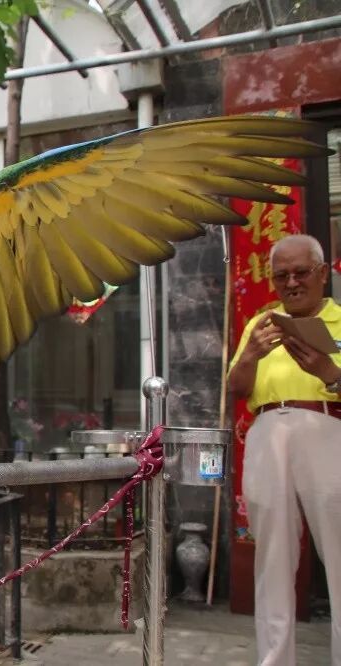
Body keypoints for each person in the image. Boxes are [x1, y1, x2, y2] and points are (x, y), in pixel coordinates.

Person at [228, 234, 341, 666]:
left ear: (322, 273)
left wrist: (329, 372)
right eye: (281, 276)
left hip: (328, 427)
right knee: (272, 558)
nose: (291, 283)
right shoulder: (262, 324)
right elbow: (236, 387)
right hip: (267, 431)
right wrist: (251, 355)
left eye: (301, 272)